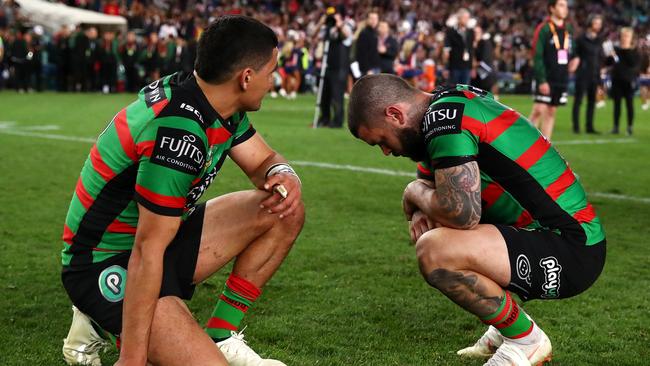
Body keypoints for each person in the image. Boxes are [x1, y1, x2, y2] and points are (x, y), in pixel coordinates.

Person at [60, 15, 305, 366]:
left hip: (156, 242)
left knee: (285, 207)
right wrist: (133, 359)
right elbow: (146, 250)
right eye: (271, 71)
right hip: (105, 262)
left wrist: (283, 173)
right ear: (246, 77)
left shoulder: (213, 99)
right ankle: (100, 316)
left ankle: (220, 334)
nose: (274, 80)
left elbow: (262, 160)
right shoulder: (178, 133)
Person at [347, 74, 606, 366]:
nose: (386, 152)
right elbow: (434, 168)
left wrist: (415, 191)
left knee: (435, 250)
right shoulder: (446, 103)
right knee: (438, 226)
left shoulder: (445, 120)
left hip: (572, 247)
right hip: (557, 236)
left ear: (395, 114)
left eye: (381, 140)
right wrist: (424, 203)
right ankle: (504, 329)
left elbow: (462, 214)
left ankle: (526, 340)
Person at [529, 0, 577, 140]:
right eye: (561, 5)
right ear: (552, 8)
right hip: (546, 76)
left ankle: (545, 147)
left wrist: (575, 59)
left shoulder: (569, 28)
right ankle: (522, 146)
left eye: (566, 6)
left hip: (561, 77)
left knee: (551, 111)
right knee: (538, 110)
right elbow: (537, 56)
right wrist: (542, 80)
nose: (565, 9)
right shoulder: (544, 28)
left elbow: (572, 50)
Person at [572, 15, 604, 134]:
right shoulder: (581, 39)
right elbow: (575, 55)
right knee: (578, 101)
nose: (598, 26)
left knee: (592, 101)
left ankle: (589, 127)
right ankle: (576, 127)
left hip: (595, 74)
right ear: (590, 23)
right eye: (596, 23)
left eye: (599, 23)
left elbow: (600, 58)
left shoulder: (600, 39)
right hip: (582, 74)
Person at [607, 27, 640, 135]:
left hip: (629, 80)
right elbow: (608, 63)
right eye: (623, 36)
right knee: (617, 105)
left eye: (627, 36)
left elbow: (633, 64)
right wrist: (610, 57)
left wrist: (626, 50)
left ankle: (629, 127)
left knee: (629, 104)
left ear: (631, 38)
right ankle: (615, 127)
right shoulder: (615, 49)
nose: (625, 38)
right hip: (616, 80)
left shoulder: (634, 51)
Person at [443, 8, 474, 85]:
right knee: (454, 90)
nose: (467, 20)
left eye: (468, 18)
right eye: (465, 18)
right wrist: (446, 68)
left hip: (466, 66)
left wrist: (472, 67)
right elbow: (446, 52)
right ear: (459, 18)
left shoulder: (470, 32)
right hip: (454, 66)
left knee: (465, 91)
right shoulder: (451, 31)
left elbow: (471, 50)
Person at [355, 11, 380, 76]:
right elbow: (362, 53)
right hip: (369, 69)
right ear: (367, 20)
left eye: (375, 19)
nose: (374, 21)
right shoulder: (364, 33)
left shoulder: (375, 33)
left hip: (375, 67)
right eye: (371, 18)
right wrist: (367, 69)